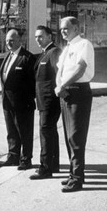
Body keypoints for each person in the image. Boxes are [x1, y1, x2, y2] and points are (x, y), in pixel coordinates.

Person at [55, 16, 95, 193]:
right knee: (68, 137)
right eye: (62, 29)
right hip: (65, 92)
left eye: (67, 28)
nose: (63, 31)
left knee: (76, 137)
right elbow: (60, 71)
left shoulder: (84, 44)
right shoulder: (67, 48)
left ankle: (77, 179)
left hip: (78, 92)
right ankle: (73, 174)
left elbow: (81, 69)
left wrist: (63, 85)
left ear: (76, 29)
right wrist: (59, 86)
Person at [0, 28, 36, 170]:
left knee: (24, 132)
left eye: (12, 40)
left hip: (23, 103)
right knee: (11, 131)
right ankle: (13, 156)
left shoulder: (27, 58)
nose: (9, 43)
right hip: (7, 102)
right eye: (7, 40)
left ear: (20, 40)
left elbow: (33, 82)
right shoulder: (8, 56)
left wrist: (28, 100)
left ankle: (26, 159)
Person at [29, 25, 62, 180]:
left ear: (50, 37)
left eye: (41, 36)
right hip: (44, 101)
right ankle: (54, 164)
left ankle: (45, 168)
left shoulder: (54, 52)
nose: (38, 39)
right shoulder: (44, 54)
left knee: (45, 133)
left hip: (50, 101)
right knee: (50, 132)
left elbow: (59, 73)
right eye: (36, 37)